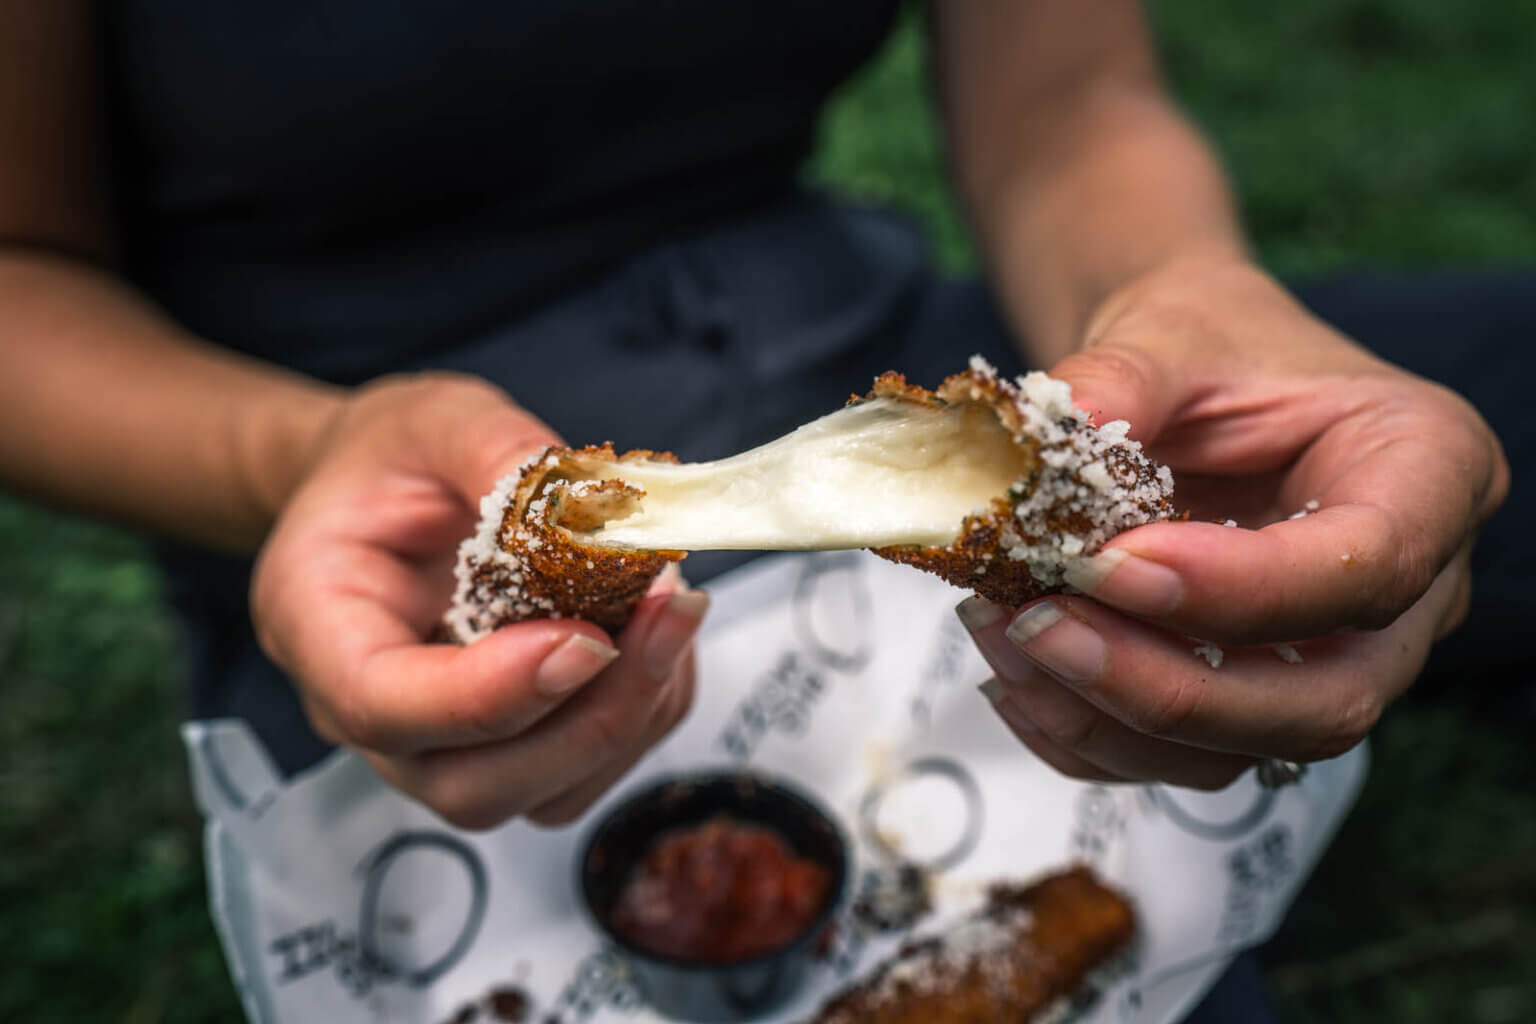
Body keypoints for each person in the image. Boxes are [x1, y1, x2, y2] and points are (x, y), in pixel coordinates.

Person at [0, 2, 1520, 1019]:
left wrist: (1174, 292)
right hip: (376, 494)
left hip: (864, 346)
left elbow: (1066, 100)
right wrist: (299, 453)